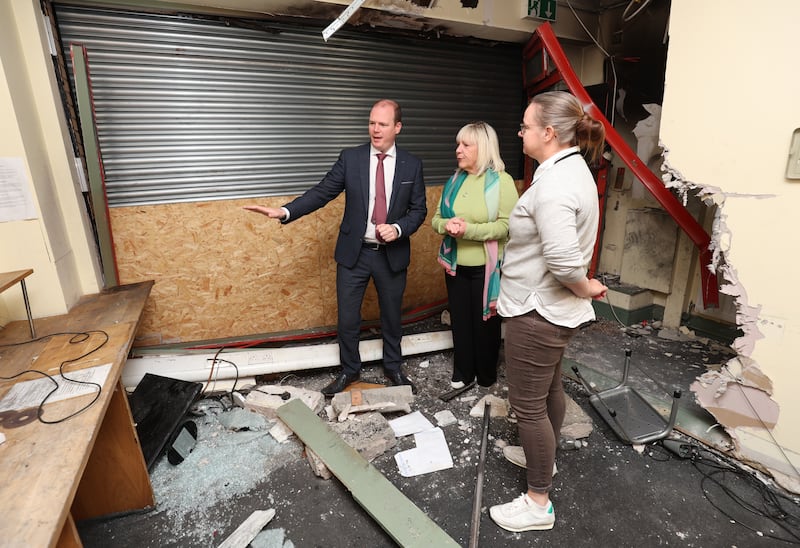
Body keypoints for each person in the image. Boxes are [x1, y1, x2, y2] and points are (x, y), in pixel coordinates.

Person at [244, 99, 427, 396]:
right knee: (348, 319)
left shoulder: (411, 164)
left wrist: (397, 228)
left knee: (392, 317)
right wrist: (285, 211)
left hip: (391, 256)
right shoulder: (351, 158)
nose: (375, 129)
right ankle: (350, 370)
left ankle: (393, 367)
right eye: (371, 122)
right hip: (354, 255)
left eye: (382, 124)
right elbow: (322, 192)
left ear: (397, 127)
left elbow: (419, 211)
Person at [489, 91, 608, 532]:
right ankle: (546, 459)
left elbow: (561, 261)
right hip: (548, 309)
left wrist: (586, 285)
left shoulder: (556, 183)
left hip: (537, 311)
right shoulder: (570, 171)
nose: (519, 132)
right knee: (549, 390)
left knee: (528, 404)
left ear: (548, 132)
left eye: (524, 126)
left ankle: (538, 501)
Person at [431, 122, 518, 390]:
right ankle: (463, 372)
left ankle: (486, 375)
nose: (458, 150)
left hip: (487, 268)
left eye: (466, 145)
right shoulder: (455, 180)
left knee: (486, 324)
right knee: (460, 320)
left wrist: (468, 230)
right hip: (456, 265)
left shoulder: (502, 182)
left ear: (484, 148)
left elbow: (507, 227)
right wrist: (446, 226)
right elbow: (435, 219)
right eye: (458, 144)